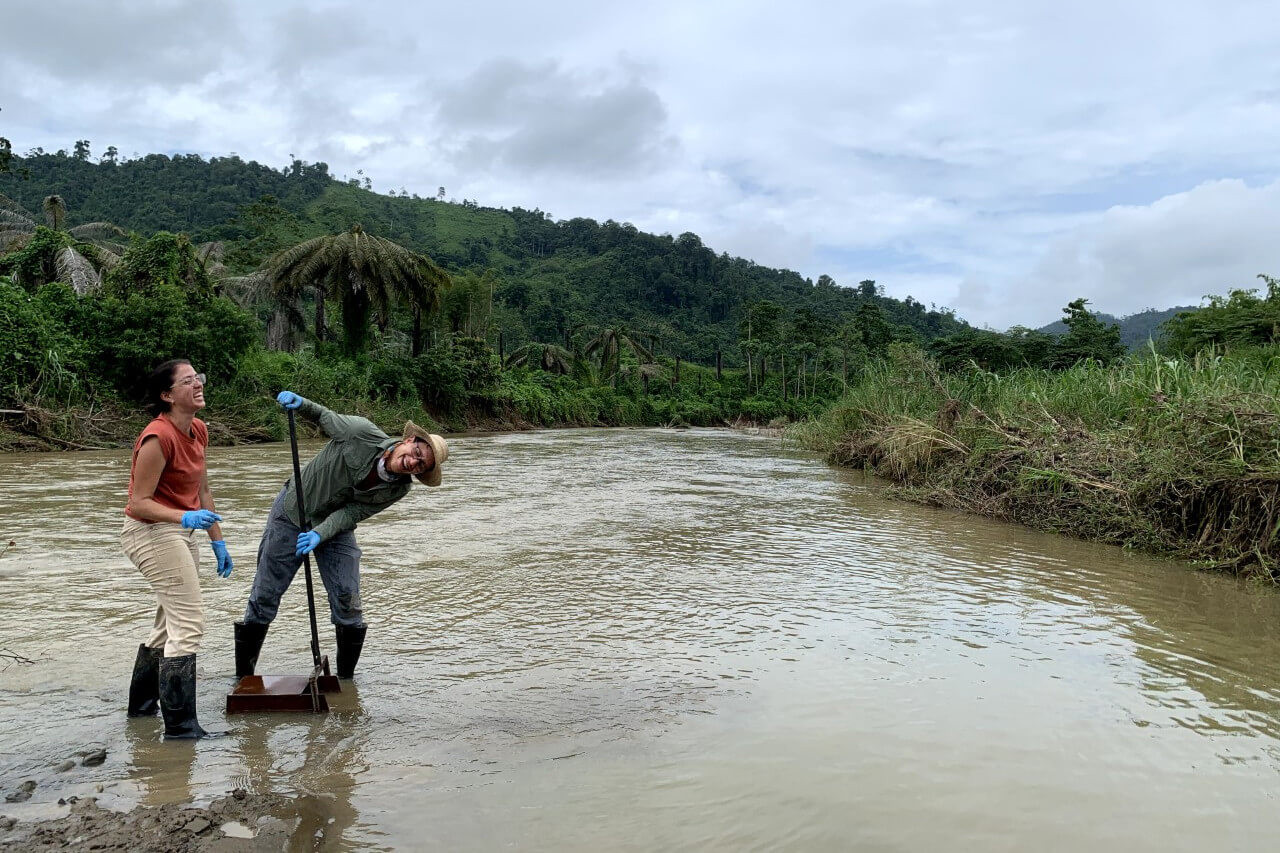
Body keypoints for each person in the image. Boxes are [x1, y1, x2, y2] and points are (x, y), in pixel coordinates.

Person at [234, 391, 448, 680]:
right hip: (292, 511)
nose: (413, 462)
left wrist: (319, 534)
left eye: (421, 466)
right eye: (417, 454)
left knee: (349, 600)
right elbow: (324, 417)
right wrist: (301, 404)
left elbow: (351, 513)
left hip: (335, 528)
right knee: (265, 595)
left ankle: (346, 684)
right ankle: (243, 679)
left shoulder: (398, 488)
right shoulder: (360, 432)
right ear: (409, 441)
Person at [121, 359, 234, 739]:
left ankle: (140, 712)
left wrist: (217, 539)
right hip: (150, 531)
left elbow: (203, 492)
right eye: (188, 382)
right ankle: (182, 730)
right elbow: (138, 503)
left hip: (178, 532)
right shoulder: (158, 437)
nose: (198, 385)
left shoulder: (198, 430)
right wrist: (183, 519)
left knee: (168, 624)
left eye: (198, 378)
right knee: (189, 624)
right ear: (168, 395)